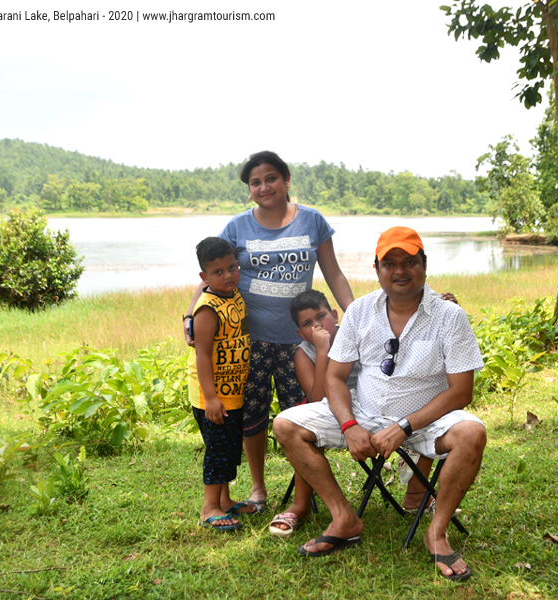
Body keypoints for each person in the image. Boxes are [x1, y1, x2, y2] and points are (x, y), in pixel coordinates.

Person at [273, 226, 486, 582]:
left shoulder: (450, 316)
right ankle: (343, 518)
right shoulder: (360, 311)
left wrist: (404, 426)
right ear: (377, 269)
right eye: (389, 263)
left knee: (472, 433)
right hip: (363, 413)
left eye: (409, 262)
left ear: (424, 265)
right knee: (285, 424)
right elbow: (335, 378)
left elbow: (461, 392)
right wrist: (349, 425)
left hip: (425, 423)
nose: (400, 270)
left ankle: (437, 532)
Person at [184, 151, 354, 513]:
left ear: (286, 179)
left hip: (300, 341)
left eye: (271, 178)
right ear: (249, 190)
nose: (264, 187)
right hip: (250, 341)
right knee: (252, 416)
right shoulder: (237, 227)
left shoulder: (312, 221)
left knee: (303, 415)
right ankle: (258, 488)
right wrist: (189, 315)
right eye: (255, 183)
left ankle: (303, 494)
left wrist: (355, 316)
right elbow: (212, 273)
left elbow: (334, 273)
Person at [269, 289, 450, 536]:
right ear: (301, 333)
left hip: (372, 405)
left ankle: (417, 494)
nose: (317, 326)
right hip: (333, 409)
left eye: (321, 317)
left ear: (335, 316)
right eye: (307, 324)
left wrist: (440, 307)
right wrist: (322, 352)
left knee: (424, 411)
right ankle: (300, 505)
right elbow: (317, 399)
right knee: (305, 429)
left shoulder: (357, 328)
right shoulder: (304, 353)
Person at [187, 237, 257, 531]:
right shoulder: (207, 309)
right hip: (213, 395)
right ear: (204, 277)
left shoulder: (233, 294)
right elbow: (202, 355)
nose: (228, 275)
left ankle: (225, 501)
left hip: (233, 391)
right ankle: (210, 508)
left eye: (232, 268)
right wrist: (211, 398)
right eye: (218, 272)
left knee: (228, 448)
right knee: (217, 450)